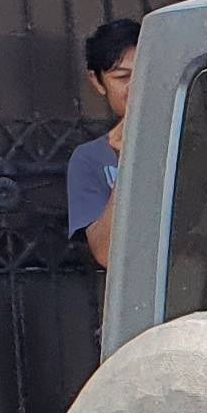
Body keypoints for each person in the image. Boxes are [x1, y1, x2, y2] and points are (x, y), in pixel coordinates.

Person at [70, 18, 138, 269]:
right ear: (97, 82)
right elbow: (106, 254)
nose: (135, 86)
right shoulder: (90, 159)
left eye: (144, 73)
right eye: (122, 77)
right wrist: (131, 160)